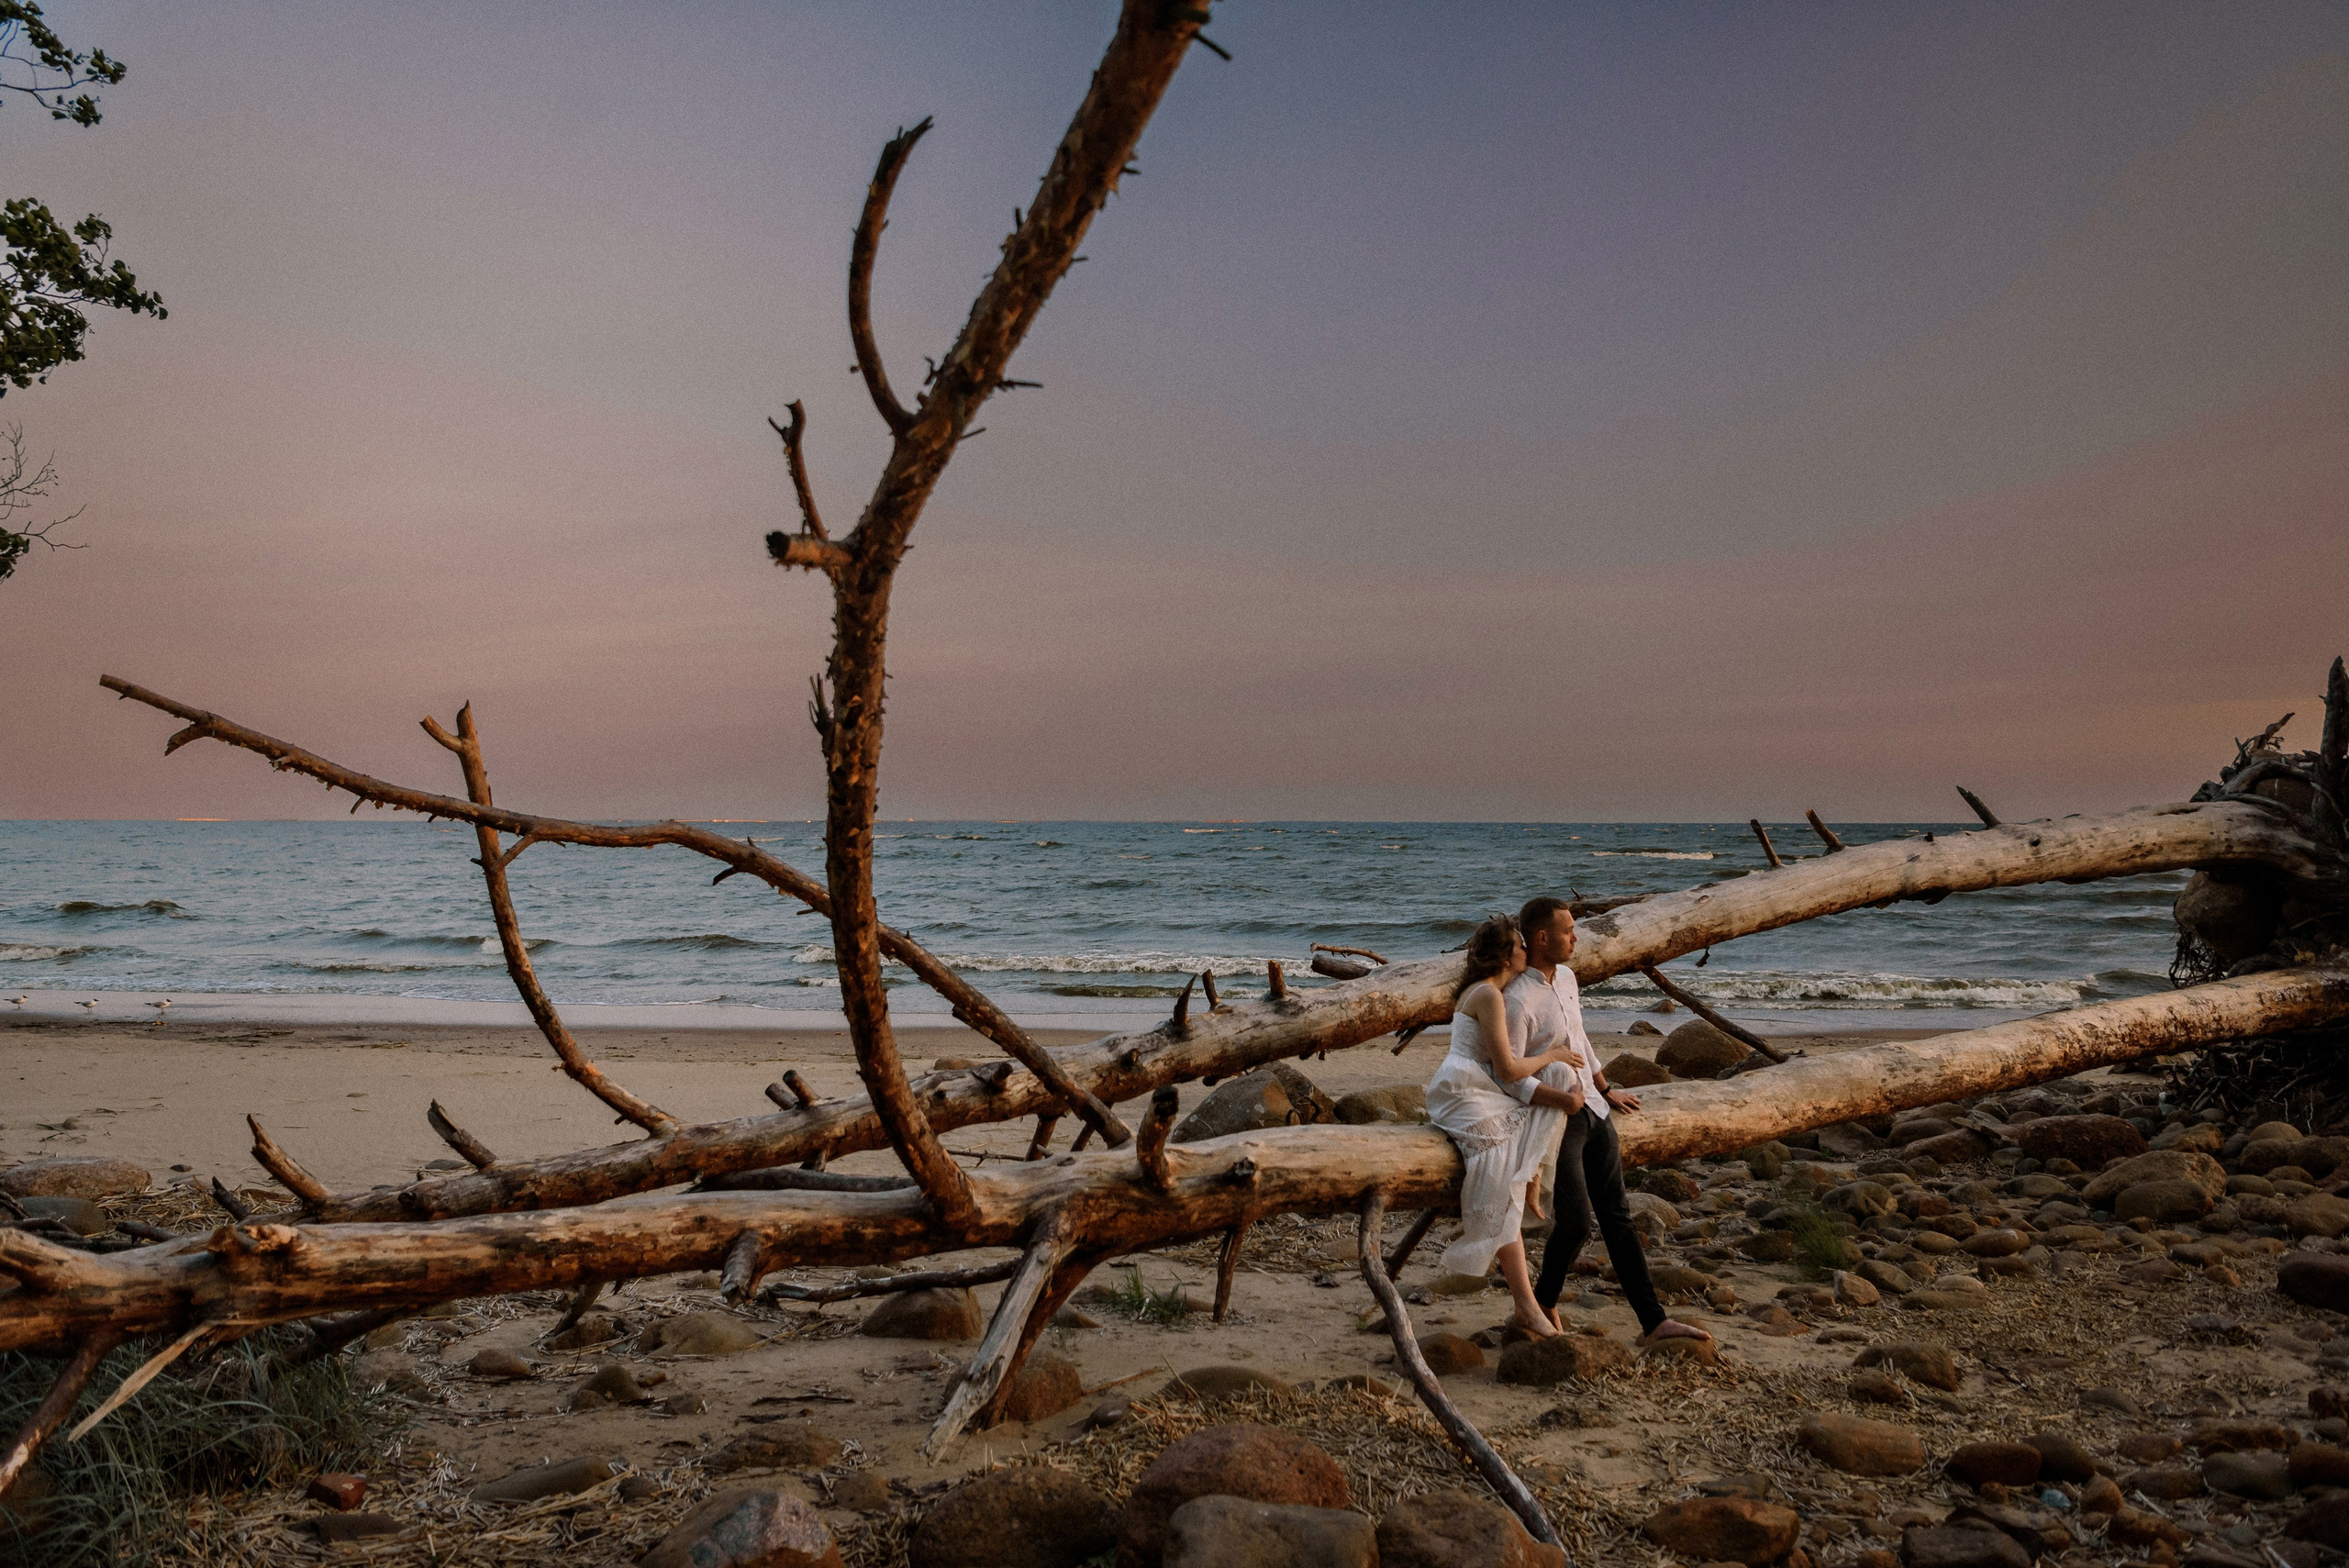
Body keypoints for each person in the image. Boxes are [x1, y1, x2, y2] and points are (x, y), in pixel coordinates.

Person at [1508, 894, 1712, 1345]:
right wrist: (1563, 1102)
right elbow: (1510, 1076)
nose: (1576, 937)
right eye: (1568, 931)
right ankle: (1540, 1302)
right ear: (1542, 938)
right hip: (1557, 1119)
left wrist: (1603, 1086)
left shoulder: (1567, 978)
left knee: (1618, 1217)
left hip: (1596, 1110)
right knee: (1577, 1221)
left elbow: (1579, 1037)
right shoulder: (1517, 1000)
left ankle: (1653, 1322)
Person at [1422, 913, 1587, 1339]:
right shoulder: (1490, 995)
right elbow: (1510, 1070)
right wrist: (1552, 1055)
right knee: (1498, 1176)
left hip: (1479, 1086)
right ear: (1505, 955)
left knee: (1551, 1094)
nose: (1525, 951)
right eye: (1519, 946)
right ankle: (1527, 1306)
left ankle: (1529, 1174)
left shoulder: (1488, 991)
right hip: (1465, 1091)